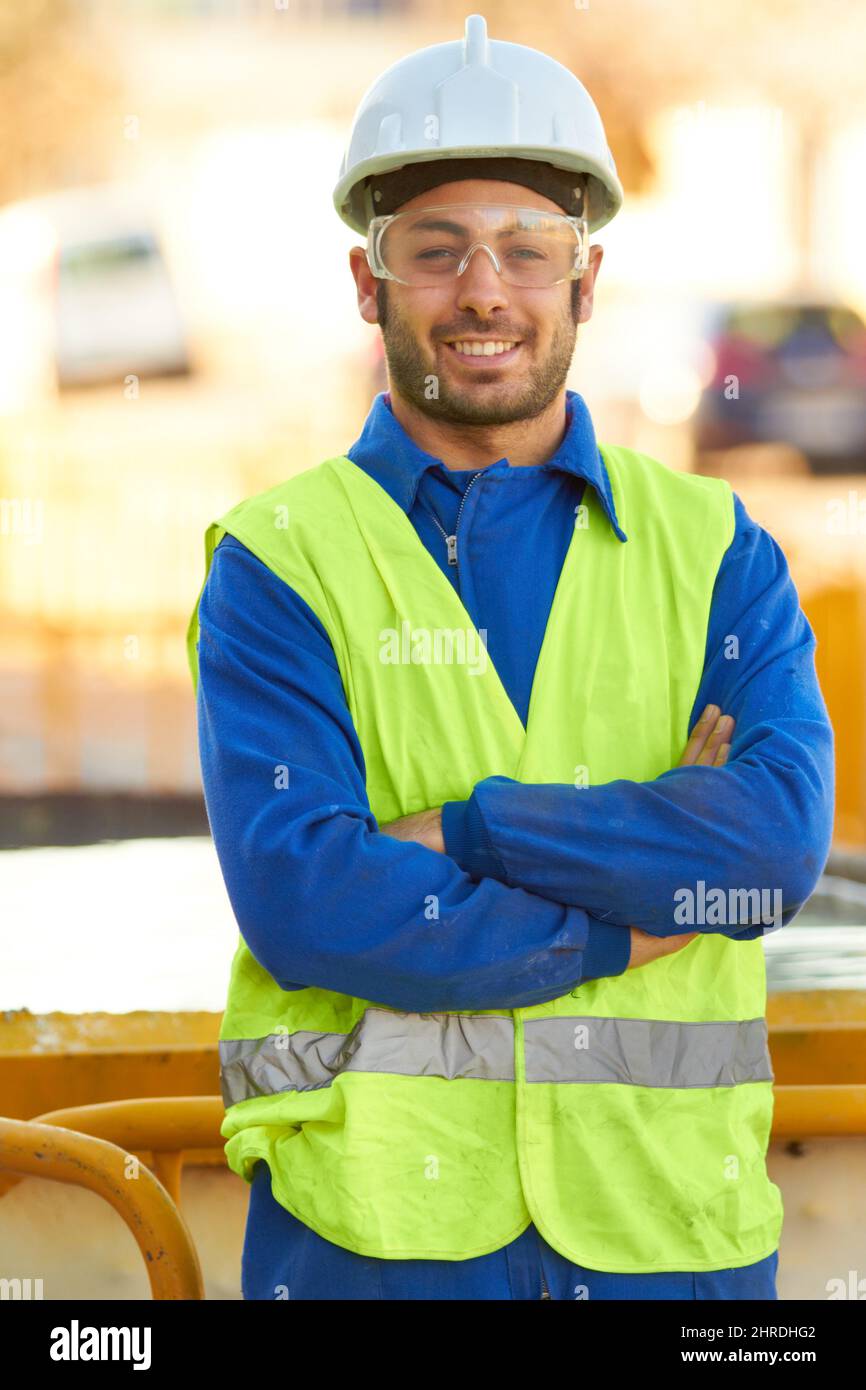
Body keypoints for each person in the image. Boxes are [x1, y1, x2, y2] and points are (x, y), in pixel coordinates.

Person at [187, 14, 834, 1300]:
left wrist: (466, 830)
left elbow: (764, 851)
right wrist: (617, 929)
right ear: (367, 286)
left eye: (525, 251)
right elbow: (307, 896)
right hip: (373, 1249)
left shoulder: (710, 546)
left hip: (669, 1248)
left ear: (582, 283)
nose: (483, 291)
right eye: (436, 252)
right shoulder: (280, 559)